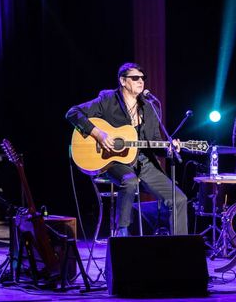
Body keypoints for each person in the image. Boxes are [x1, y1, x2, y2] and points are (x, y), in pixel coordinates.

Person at [66, 62, 188, 236]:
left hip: (143, 163)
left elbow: (154, 143)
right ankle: (121, 235)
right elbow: (73, 113)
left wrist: (169, 149)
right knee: (130, 181)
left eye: (143, 78)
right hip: (114, 162)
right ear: (123, 81)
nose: (141, 81)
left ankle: (180, 247)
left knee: (179, 199)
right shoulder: (108, 99)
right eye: (135, 78)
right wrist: (99, 134)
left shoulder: (150, 108)